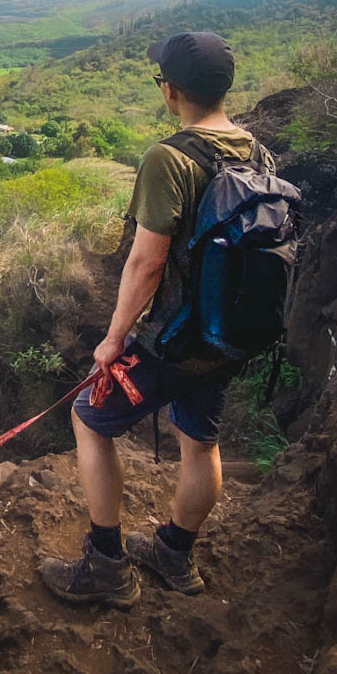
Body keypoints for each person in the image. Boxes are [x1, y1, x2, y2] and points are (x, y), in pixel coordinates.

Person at [40, 31, 271, 608]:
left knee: (90, 420)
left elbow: (147, 262)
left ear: (170, 91)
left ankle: (107, 565)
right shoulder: (256, 151)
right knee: (200, 442)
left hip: (175, 336)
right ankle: (174, 553)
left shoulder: (169, 158)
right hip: (229, 334)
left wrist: (112, 341)